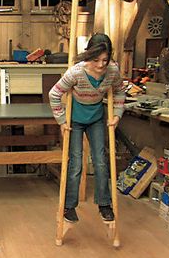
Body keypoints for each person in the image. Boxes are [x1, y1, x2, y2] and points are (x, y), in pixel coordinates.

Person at [48, 33, 125, 223]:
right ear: (88, 55)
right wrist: (61, 121)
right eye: (96, 59)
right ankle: (69, 206)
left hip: (97, 119)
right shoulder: (76, 72)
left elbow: (120, 91)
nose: (100, 65)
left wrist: (116, 115)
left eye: (105, 60)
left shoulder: (113, 71)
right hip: (75, 120)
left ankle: (104, 204)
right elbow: (54, 94)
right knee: (75, 163)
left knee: (100, 160)